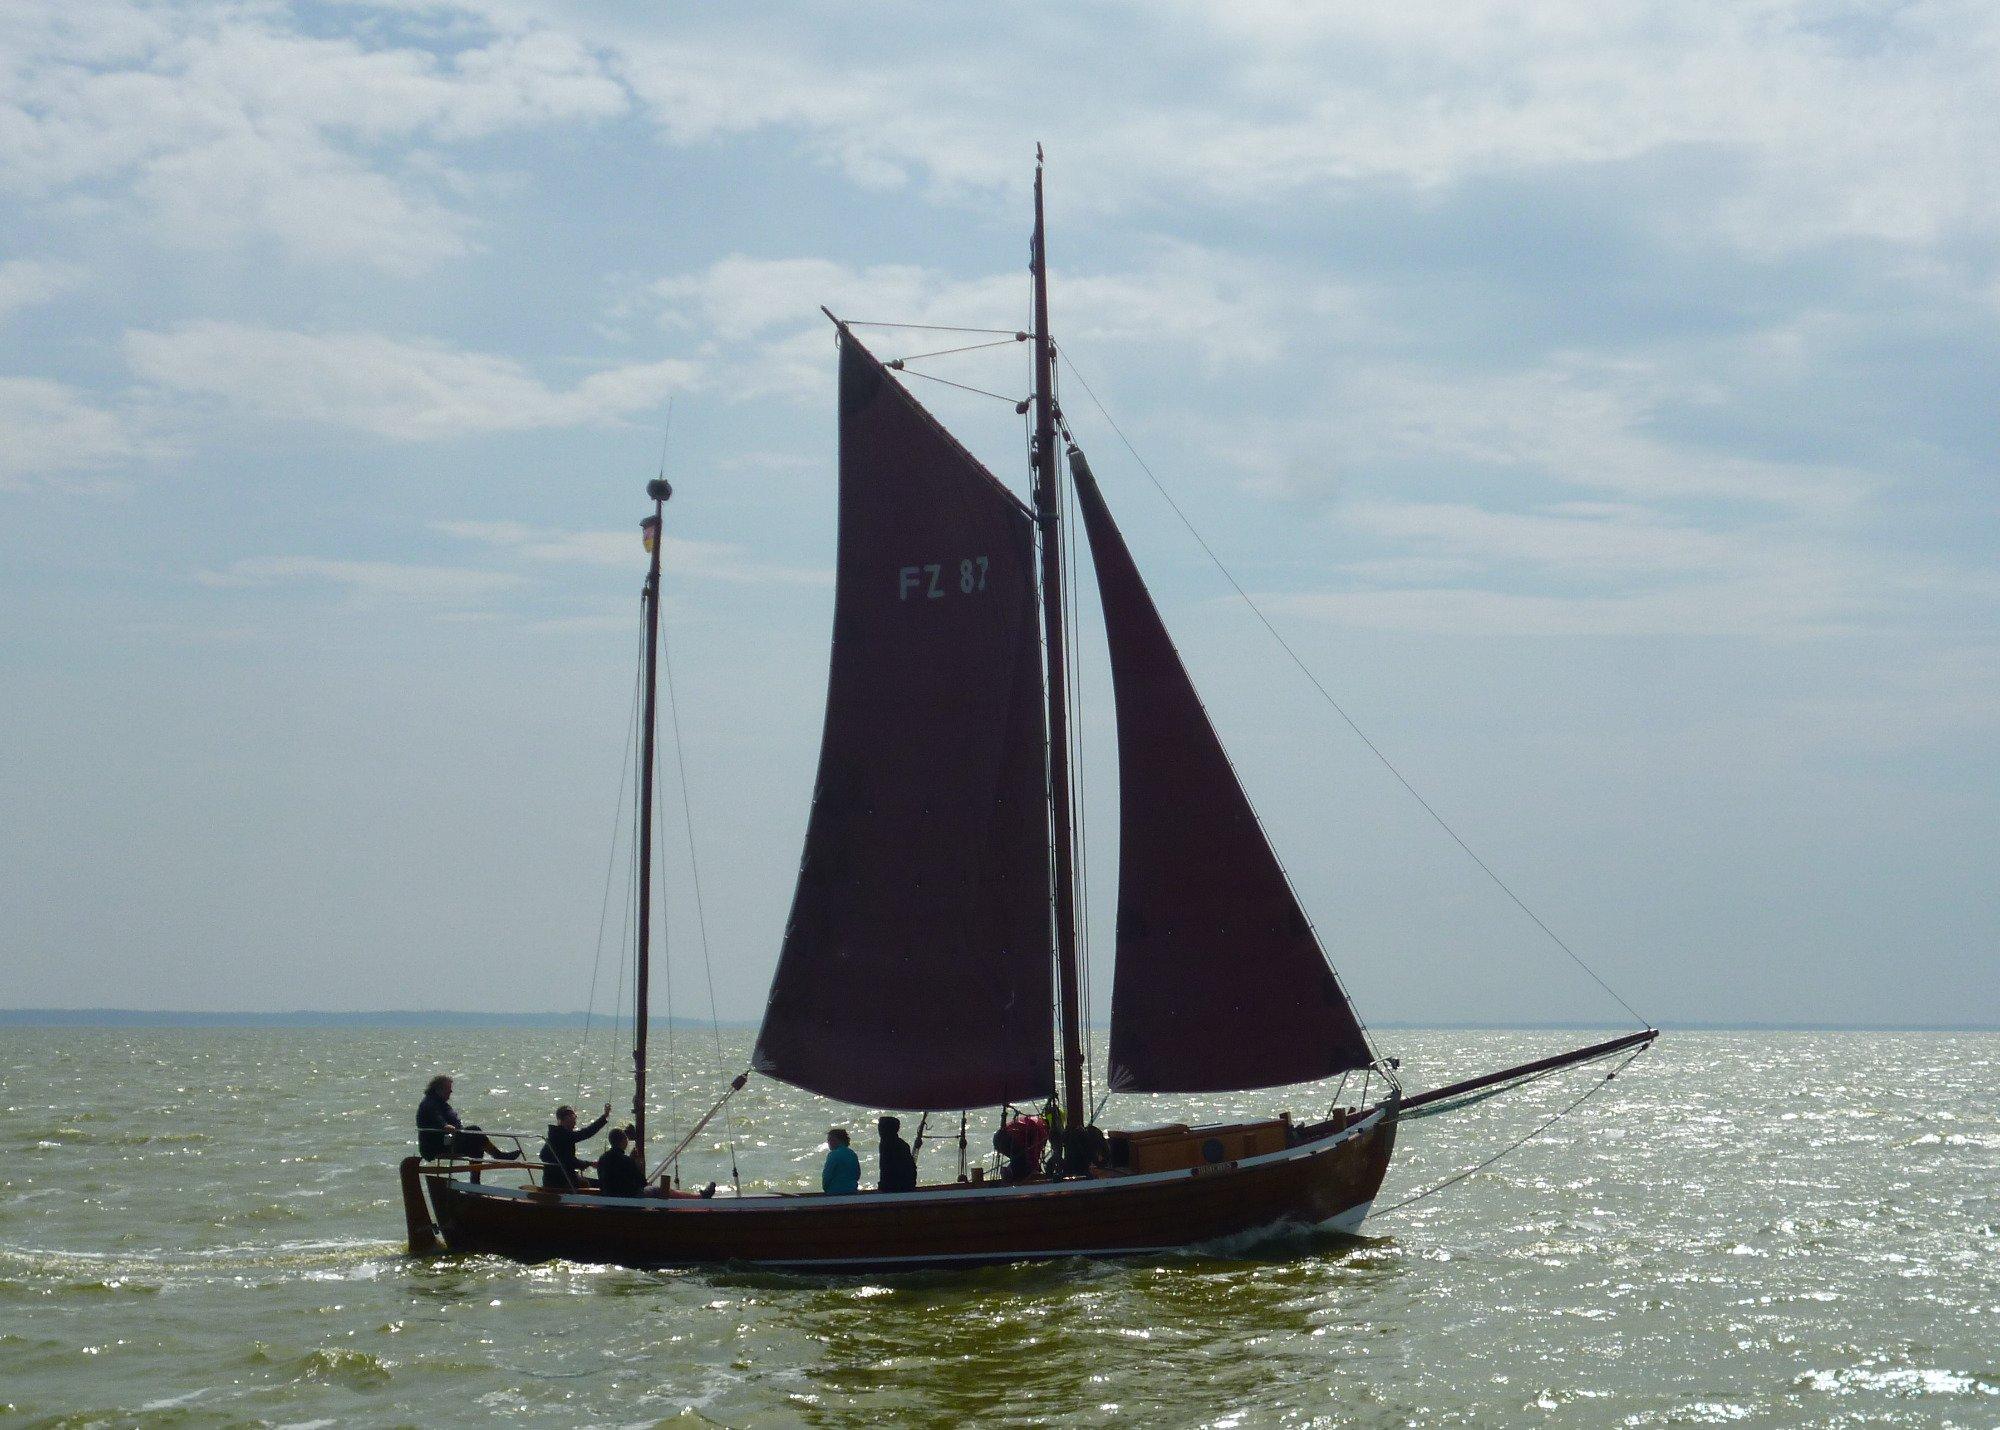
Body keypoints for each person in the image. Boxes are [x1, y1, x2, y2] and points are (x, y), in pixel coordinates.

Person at [415, 1075, 516, 1162]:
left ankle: (475, 1181)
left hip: (448, 1141)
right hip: (436, 1146)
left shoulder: (440, 1102)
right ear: (438, 1089)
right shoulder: (429, 1104)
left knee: (477, 1144)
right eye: (448, 1088)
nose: (451, 1091)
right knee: (474, 1130)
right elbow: (436, 1117)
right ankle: (498, 1155)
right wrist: (445, 1126)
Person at [539, 1102, 610, 1192]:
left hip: (554, 1179)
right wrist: (589, 1164)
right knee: (602, 1185)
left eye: (574, 1116)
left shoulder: (555, 1134)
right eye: (569, 1117)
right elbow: (586, 1133)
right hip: (561, 1182)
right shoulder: (562, 1136)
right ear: (560, 1120)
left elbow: (544, 1155)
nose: (573, 1119)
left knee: (597, 1183)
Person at [994, 1113, 1048, 1182]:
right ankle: (1011, 1175)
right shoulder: (1041, 1131)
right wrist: (1035, 1169)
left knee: (1019, 1159)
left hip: (1000, 1137)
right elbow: (1033, 1153)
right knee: (1021, 1161)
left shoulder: (1036, 1123)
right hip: (1010, 1140)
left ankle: (1010, 1173)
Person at [595, 1127, 647, 1197]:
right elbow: (643, 1183)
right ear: (623, 1141)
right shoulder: (627, 1161)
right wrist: (637, 1166)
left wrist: (631, 1160)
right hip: (627, 1201)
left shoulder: (602, 1158)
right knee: (656, 1190)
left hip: (607, 1200)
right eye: (626, 1138)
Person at [877, 1115, 917, 1192]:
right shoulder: (901, 1144)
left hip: (897, 1186)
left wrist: (883, 1187)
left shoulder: (887, 1144)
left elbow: (888, 1170)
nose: (879, 1131)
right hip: (906, 1185)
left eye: (881, 1128)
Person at [821, 1127, 860, 1194]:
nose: (828, 1142)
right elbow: (857, 1174)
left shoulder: (833, 1154)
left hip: (835, 1192)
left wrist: (826, 1189)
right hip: (852, 1191)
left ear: (838, 1140)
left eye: (830, 1140)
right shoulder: (852, 1154)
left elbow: (827, 1176)